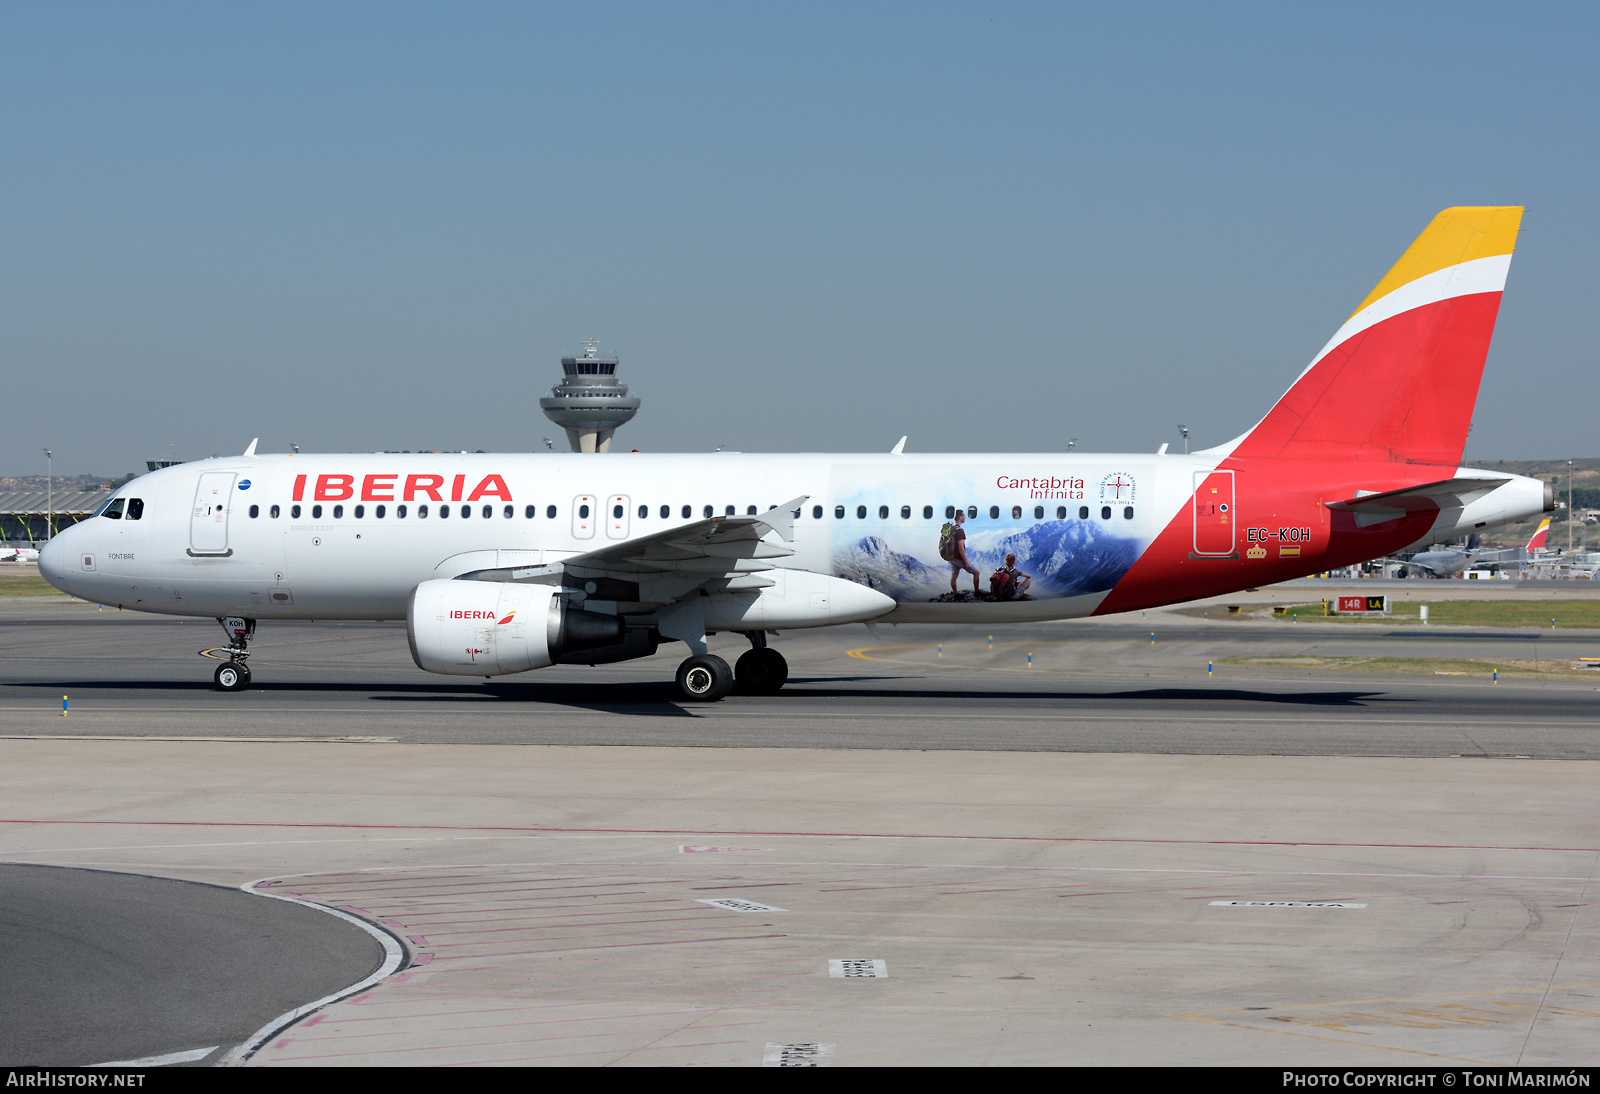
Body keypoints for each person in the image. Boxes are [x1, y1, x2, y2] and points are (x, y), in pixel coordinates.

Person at [945, 509, 980, 596]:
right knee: (976, 573)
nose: (965, 517)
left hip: (952, 557)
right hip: (959, 558)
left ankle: (956, 594)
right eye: (964, 516)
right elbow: (961, 548)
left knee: (954, 576)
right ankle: (976, 592)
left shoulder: (951, 529)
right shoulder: (960, 531)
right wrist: (966, 562)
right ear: (960, 517)